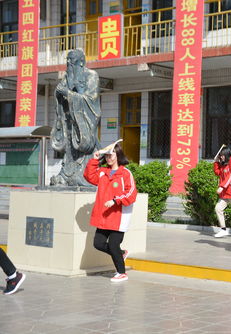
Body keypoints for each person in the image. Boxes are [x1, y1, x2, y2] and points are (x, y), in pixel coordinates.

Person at [83, 142, 137, 282]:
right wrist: (94, 159)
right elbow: (89, 176)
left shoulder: (125, 173)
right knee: (98, 244)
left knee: (113, 244)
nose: (108, 158)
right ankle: (121, 253)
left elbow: (131, 193)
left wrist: (115, 200)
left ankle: (121, 272)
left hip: (119, 217)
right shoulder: (102, 172)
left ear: (118, 155)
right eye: (106, 155)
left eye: (111, 155)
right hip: (103, 216)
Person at [51, 48, 101, 186]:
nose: (68, 64)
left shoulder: (92, 76)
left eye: (71, 61)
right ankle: (66, 175)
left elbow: (90, 100)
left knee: (83, 147)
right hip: (70, 121)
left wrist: (68, 93)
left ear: (80, 62)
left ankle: (82, 175)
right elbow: (60, 94)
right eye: (67, 61)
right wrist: (60, 93)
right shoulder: (67, 77)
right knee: (69, 149)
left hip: (84, 120)